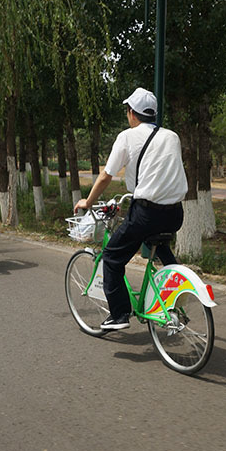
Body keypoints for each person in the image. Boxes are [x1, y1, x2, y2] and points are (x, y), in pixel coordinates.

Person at [74, 87, 188, 331]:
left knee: (113, 257)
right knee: (159, 245)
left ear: (132, 113)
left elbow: (106, 176)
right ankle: (178, 285)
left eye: (128, 111)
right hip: (175, 213)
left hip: (147, 212)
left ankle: (119, 314)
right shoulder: (172, 136)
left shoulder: (127, 137)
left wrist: (88, 202)